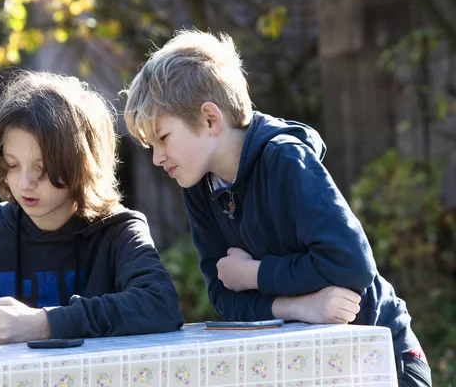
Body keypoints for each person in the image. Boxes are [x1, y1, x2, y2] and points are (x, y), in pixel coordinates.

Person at [122, 29, 431, 386]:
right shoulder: (198, 184)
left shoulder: (285, 159)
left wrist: (253, 275)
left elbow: (350, 266)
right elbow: (223, 296)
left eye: (162, 139)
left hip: (378, 353)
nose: (158, 158)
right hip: (305, 361)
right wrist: (300, 307)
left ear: (210, 119)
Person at [0, 71, 183, 344]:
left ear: (81, 166)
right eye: (13, 164)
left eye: (42, 169)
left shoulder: (119, 232)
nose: (24, 183)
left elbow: (160, 306)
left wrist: (44, 324)